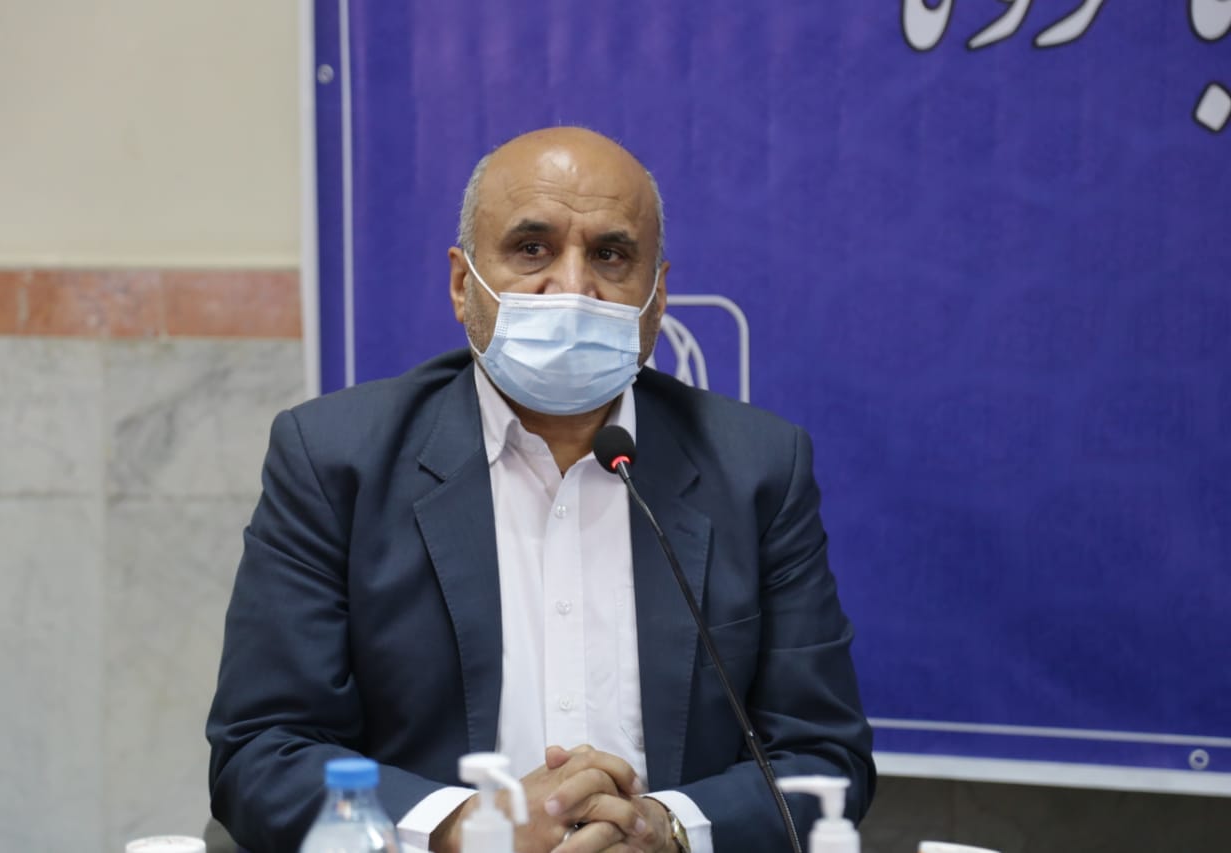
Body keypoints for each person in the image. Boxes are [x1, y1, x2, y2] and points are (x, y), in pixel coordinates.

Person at [207, 127, 875, 853]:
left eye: (610, 255)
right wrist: (465, 828)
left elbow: (823, 756)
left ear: (657, 298)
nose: (573, 287)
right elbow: (262, 751)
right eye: (532, 249)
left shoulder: (756, 469)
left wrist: (669, 828)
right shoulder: (337, 461)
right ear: (463, 285)